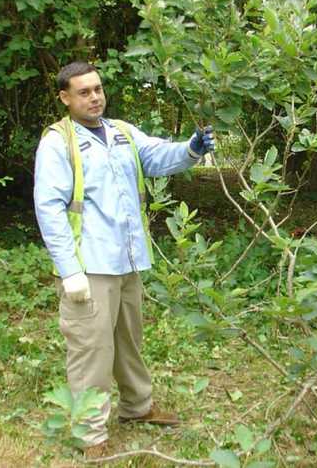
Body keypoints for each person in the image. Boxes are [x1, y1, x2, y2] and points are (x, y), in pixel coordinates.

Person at [34, 61, 215, 456]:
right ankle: (89, 433)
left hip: (129, 260)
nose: (94, 97)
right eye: (84, 92)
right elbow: (48, 208)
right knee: (91, 350)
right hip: (90, 267)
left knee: (128, 341)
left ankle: (137, 407)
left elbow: (156, 156)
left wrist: (191, 148)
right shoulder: (57, 142)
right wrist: (70, 272)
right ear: (65, 98)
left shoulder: (122, 133)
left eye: (97, 89)